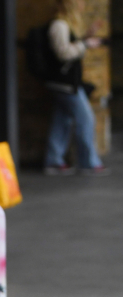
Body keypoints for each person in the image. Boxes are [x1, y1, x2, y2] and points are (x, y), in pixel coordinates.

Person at [42, 0, 106, 176]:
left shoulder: (66, 25)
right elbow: (63, 53)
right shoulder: (59, 25)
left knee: (61, 122)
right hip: (64, 83)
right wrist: (85, 44)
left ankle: (53, 161)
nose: (82, 6)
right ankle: (88, 162)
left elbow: (71, 46)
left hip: (67, 83)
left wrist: (86, 37)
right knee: (86, 119)